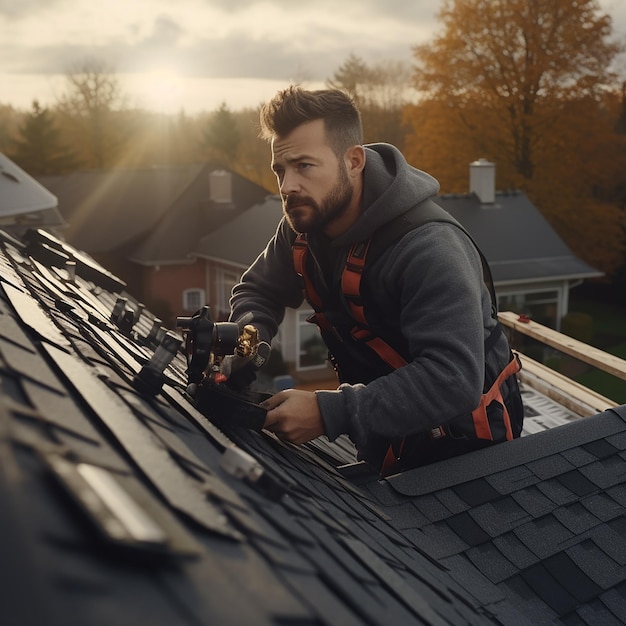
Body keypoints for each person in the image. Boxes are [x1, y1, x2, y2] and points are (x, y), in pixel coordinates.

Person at [227, 85, 523, 474]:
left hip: (468, 450)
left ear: (352, 162)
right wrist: (249, 342)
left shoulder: (428, 249)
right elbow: (258, 290)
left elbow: (452, 379)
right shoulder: (304, 226)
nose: (287, 187)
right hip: (384, 433)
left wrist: (329, 411)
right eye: (280, 170)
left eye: (304, 166)